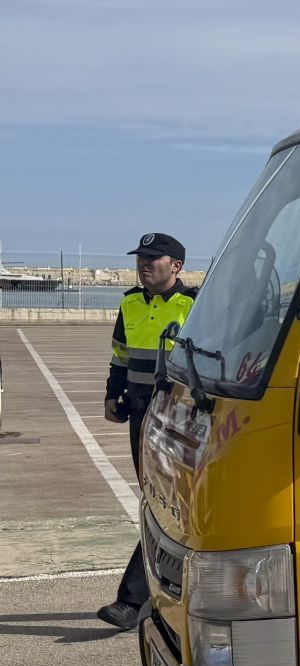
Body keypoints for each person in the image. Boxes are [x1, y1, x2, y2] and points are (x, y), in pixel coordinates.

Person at [97, 232, 196, 630]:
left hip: (178, 418)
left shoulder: (193, 304)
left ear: (176, 265)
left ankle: (131, 600)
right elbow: (120, 355)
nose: (143, 264)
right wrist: (112, 394)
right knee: (158, 502)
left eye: (153, 258)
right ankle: (172, 588)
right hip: (140, 414)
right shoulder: (130, 303)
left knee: (161, 503)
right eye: (141, 257)